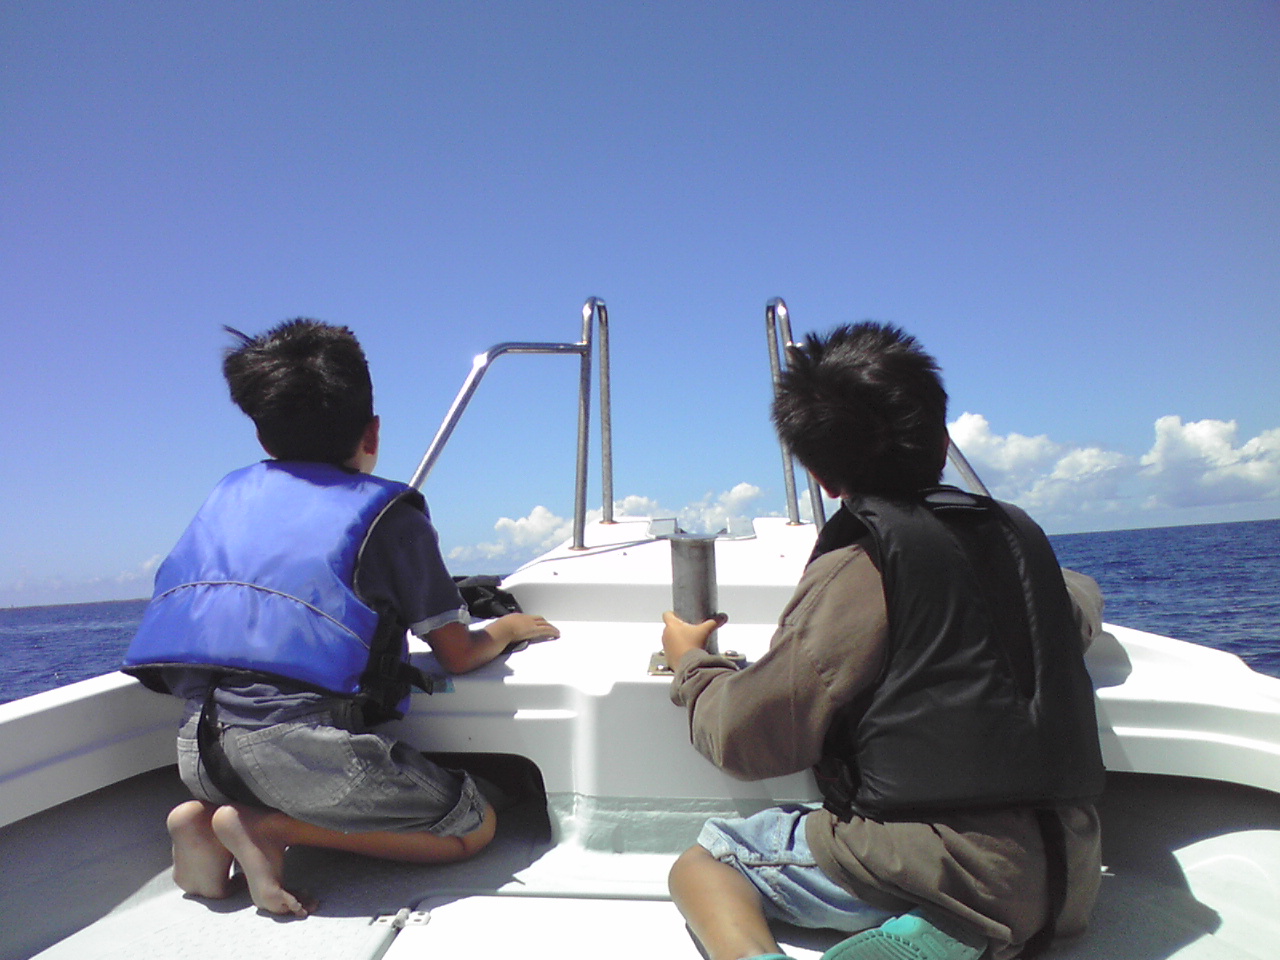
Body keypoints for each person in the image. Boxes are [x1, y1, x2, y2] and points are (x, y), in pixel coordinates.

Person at [660, 322, 1105, 960]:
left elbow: (747, 738)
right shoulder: (1023, 544)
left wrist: (692, 665)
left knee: (708, 859)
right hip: (1070, 873)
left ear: (821, 478)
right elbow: (1078, 602)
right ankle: (958, 931)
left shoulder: (860, 570)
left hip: (948, 872)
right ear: (943, 440)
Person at [123, 319, 559, 918]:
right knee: (472, 824)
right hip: (298, 751)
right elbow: (457, 653)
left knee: (279, 777)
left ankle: (201, 820)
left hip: (199, 748)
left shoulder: (227, 497)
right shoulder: (390, 516)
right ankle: (270, 830)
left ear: (262, 434)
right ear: (372, 432)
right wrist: (507, 629)